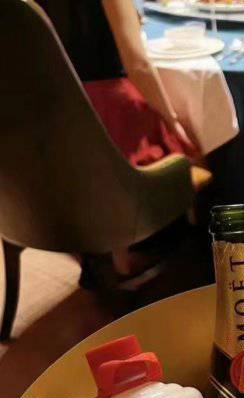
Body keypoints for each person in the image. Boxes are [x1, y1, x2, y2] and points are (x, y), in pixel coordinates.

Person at [37, 0, 200, 282]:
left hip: (60, 112)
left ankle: (110, 252)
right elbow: (138, 64)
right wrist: (173, 120)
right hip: (109, 109)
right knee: (191, 143)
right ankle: (154, 256)